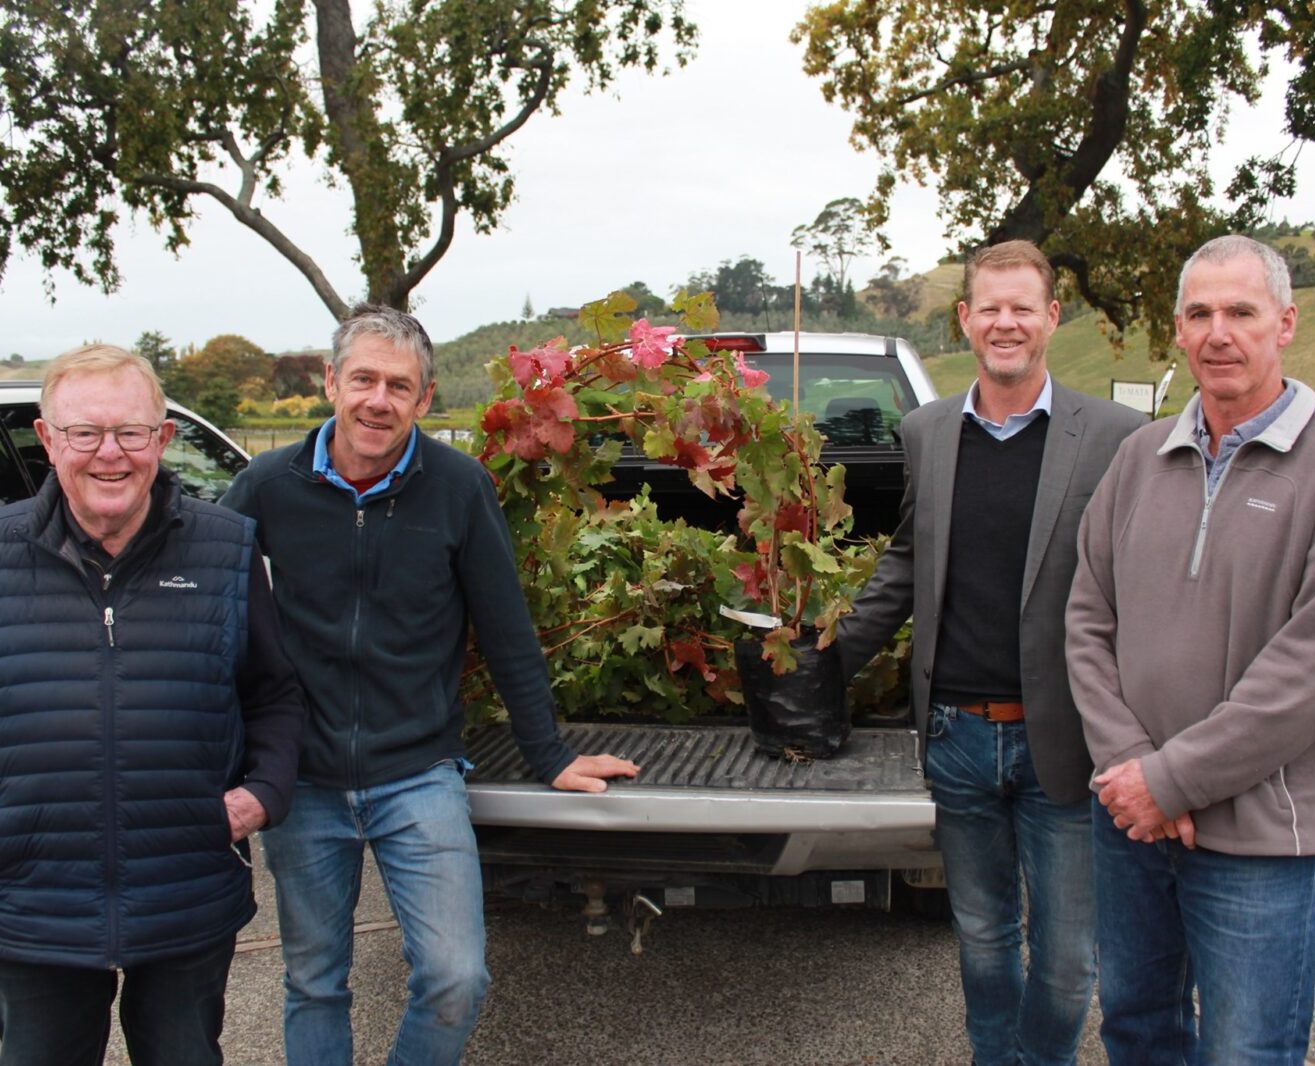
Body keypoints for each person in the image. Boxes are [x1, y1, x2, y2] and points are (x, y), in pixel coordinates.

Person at [221, 304, 639, 1066]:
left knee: (455, 976)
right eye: (364, 380)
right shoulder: (265, 486)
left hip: (417, 774)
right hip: (302, 782)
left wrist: (547, 754)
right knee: (314, 981)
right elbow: (208, 616)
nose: (378, 401)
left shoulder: (456, 486)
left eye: (399, 386)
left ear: (424, 398)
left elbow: (504, 627)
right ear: (330, 382)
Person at [836, 240, 1145, 1065]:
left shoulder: (1115, 436)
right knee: (979, 933)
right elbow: (908, 557)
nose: (1004, 323)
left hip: (1065, 739)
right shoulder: (926, 431)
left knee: (1068, 955)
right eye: (989, 308)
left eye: (1022, 307)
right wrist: (828, 656)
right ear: (965, 319)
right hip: (956, 737)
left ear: (1049, 317)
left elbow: (1137, 585)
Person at [0, 346, 305, 1066]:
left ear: (162, 439)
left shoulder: (227, 549)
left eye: (131, 433)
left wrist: (261, 795)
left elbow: (275, 694)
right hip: (34, 900)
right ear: (48, 440)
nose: (110, 454)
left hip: (187, 889)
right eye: (85, 434)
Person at [1067, 234, 1314, 1063]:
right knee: (1136, 1029)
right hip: (1131, 825)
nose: (1218, 333)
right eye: (1199, 313)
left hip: (1259, 843)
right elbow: (1086, 618)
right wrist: (1130, 768)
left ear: (1283, 323)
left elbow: (1304, 671)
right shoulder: (1140, 459)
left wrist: (1170, 779)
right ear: (1175, 330)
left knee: (1246, 1050)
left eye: (1240, 312)